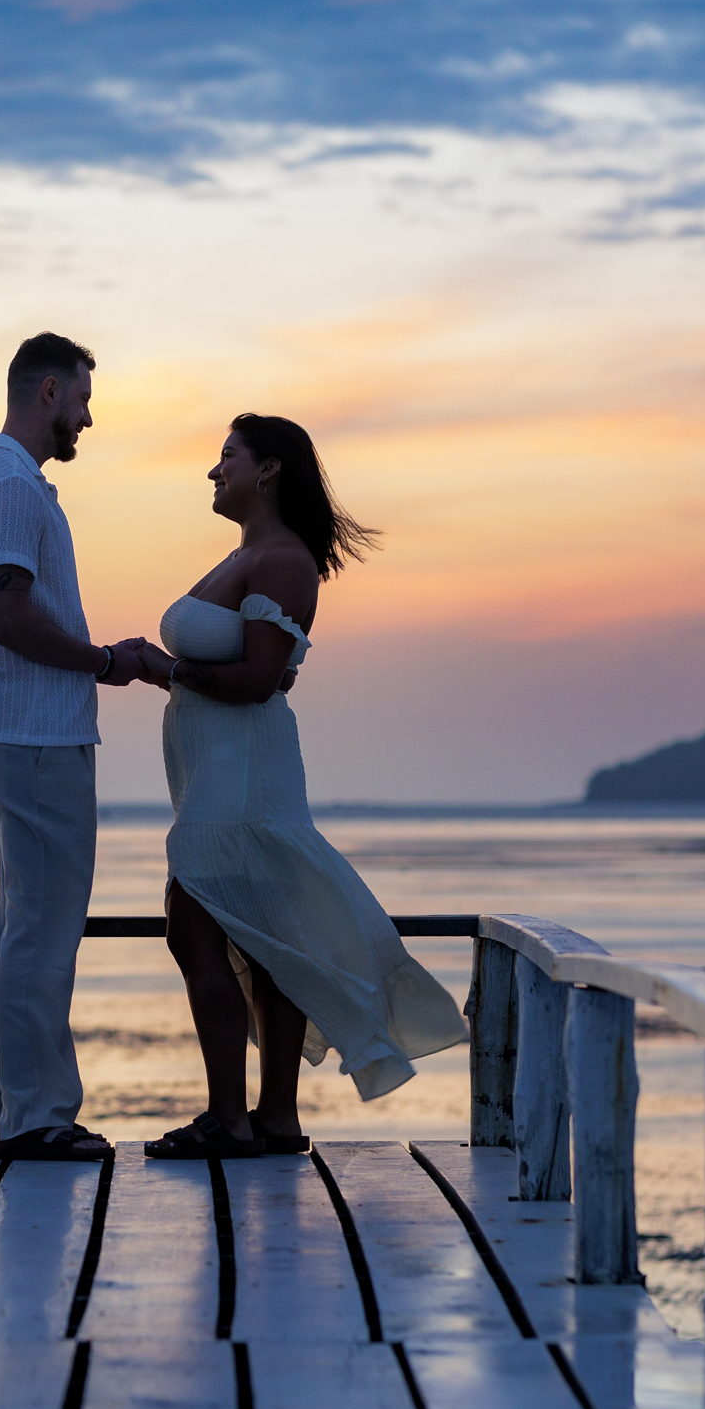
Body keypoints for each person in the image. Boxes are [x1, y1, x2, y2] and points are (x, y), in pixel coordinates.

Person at [124, 414, 467, 1160]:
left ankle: (230, 1116)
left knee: (194, 925)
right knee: (263, 932)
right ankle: (273, 1118)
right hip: (217, 773)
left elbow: (255, 682)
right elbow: (271, 671)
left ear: (269, 469)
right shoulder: (246, 555)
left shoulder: (282, 560)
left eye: (226, 458)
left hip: (243, 779)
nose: (214, 473)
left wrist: (164, 668)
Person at [0, 332, 144, 1163]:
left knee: (23, 926)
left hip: (23, 730)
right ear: (50, 393)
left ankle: (19, 1110)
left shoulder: (4, 481)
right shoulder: (12, 488)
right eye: (84, 402)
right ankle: (33, 1119)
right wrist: (103, 662)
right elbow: (6, 612)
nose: (88, 421)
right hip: (34, 733)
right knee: (43, 930)